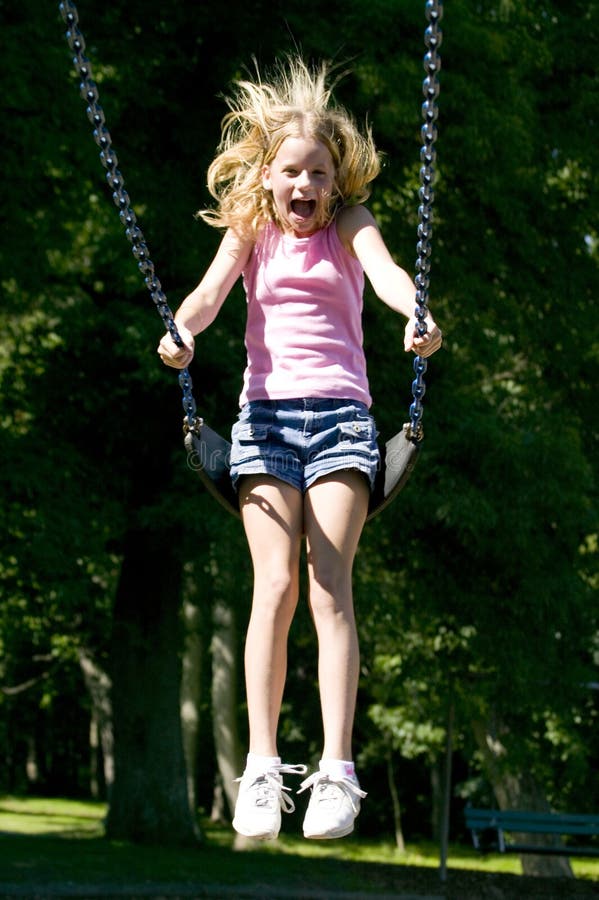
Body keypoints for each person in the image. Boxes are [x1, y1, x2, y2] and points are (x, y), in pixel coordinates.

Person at [158, 57, 442, 842]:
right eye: (291, 172)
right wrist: (181, 331)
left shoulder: (349, 226)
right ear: (269, 177)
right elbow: (210, 292)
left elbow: (384, 274)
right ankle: (258, 767)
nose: (304, 185)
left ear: (333, 178)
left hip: (342, 420)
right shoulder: (252, 230)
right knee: (274, 584)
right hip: (264, 423)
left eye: (317, 172)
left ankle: (337, 772)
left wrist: (414, 312)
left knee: (328, 586)